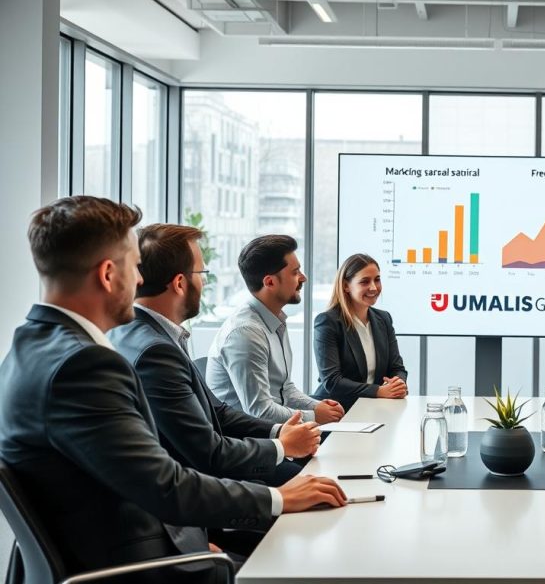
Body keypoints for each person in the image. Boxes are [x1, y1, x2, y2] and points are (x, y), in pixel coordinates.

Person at [0, 197, 346, 582]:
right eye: (135, 267)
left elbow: (135, 477)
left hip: (120, 548)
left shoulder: (27, 348)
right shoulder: (84, 366)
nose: (139, 281)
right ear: (108, 274)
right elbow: (165, 485)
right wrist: (280, 499)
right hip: (127, 566)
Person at [110, 224, 321, 492]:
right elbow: (207, 454)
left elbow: (217, 411)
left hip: (213, 474)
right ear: (179, 283)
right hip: (201, 494)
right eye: (202, 273)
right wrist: (281, 447)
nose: (205, 282)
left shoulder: (154, 335)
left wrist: (278, 433)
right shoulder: (155, 351)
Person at [206, 235, 345, 424]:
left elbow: (285, 390)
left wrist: (317, 406)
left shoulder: (275, 320)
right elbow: (259, 411)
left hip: (277, 434)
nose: (303, 278)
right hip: (251, 441)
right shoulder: (246, 333)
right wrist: (315, 416)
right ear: (270, 282)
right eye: (295, 272)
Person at [313, 253, 408, 411]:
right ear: (345, 286)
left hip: (374, 408)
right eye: (365, 281)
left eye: (377, 279)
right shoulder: (328, 322)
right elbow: (332, 381)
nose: (373, 287)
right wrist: (379, 391)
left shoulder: (383, 319)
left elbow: (397, 367)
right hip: (336, 411)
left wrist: (398, 383)